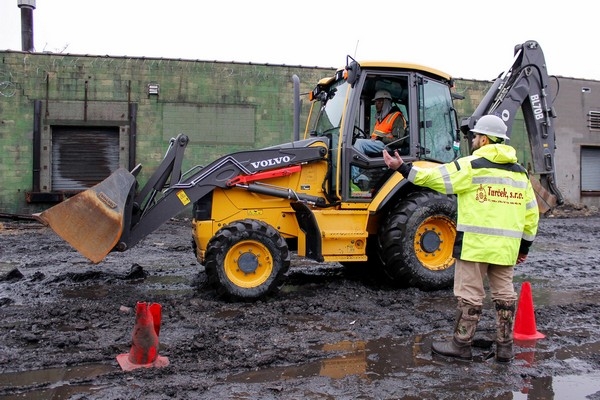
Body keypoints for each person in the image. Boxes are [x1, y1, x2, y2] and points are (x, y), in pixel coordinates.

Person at [382, 114, 540, 363]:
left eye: (476, 136)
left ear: (485, 139)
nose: (474, 140)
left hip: (475, 247)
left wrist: (403, 168)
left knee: (470, 296)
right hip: (506, 249)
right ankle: (505, 347)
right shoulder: (520, 175)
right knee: (504, 295)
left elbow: (436, 177)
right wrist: (524, 247)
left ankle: (461, 344)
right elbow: (532, 215)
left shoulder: (471, 166)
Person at [352, 90, 406, 186]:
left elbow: (399, 141)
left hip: (388, 147)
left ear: (387, 102)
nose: (377, 104)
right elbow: (376, 136)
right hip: (379, 144)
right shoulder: (380, 119)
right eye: (376, 102)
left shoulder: (396, 117)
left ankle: (355, 178)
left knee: (360, 143)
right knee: (355, 144)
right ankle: (362, 173)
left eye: (380, 101)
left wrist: (382, 139)